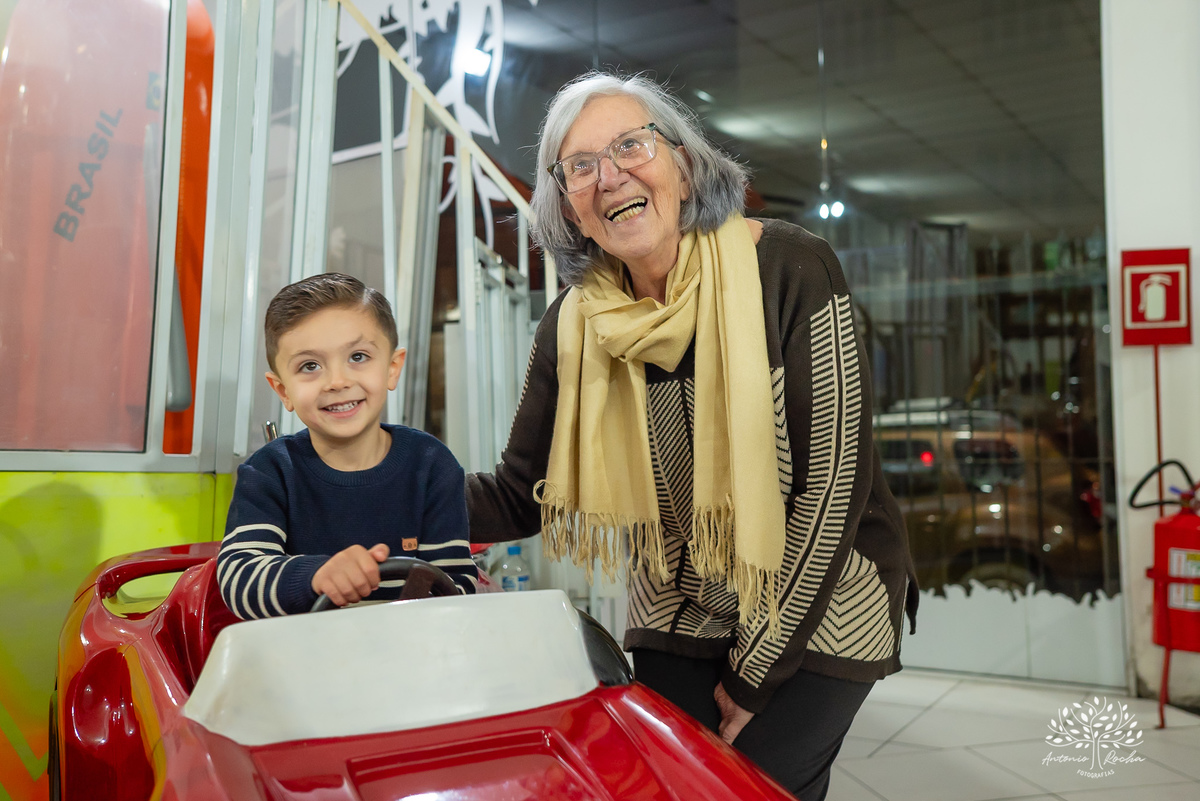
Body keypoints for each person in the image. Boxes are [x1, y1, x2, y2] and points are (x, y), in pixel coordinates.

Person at [465, 72, 918, 801]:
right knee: (655, 788)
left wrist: (754, 672)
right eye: (580, 166)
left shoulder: (792, 268)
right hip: (681, 601)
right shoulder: (570, 328)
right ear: (569, 206)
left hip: (826, 592)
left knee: (743, 788)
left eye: (630, 146)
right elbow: (521, 496)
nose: (610, 176)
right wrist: (384, 487)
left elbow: (833, 488)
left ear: (682, 164)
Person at [218, 273, 477, 619]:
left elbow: (457, 587)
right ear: (283, 391)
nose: (337, 382)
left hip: (412, 657)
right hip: (301, 661)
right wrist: (317, 576)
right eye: (310, 366)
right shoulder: (270, 472)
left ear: (392, 368)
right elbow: (239, 578)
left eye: (358, 357)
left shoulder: (431, 464)